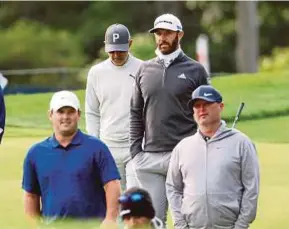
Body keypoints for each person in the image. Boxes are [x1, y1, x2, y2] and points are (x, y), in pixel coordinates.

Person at [129, 13, 209, 226]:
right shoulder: (144, 70)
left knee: (186, 219)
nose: (162, 38)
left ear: (179, 35)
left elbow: (206, 111)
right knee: (154, 221)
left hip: (185, 155)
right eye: (158, 33)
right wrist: (136, 152)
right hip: (150, 158)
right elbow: (136, 112)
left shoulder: (195, 70)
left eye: (167, 33)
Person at [22, 90, 121, 228]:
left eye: (70, 112)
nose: (65, 117)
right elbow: (31, 195)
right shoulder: (35, 153)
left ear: (78, 115)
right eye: (60, 112)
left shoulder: (97, 148)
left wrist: (110, 219)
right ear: (50, 115)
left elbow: (112, 185)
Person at [166, 85, 260, 229]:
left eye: (207, 104)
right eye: (197, 106)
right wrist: (180, 224)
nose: (202, 109)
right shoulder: (182, 147)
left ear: (220, 106)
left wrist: (241, 225)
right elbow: (173, 188)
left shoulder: (241, 143)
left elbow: (251, 188)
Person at [85, 24, 143, 190]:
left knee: (134, 196)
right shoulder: (96, 72)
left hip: (136, 145)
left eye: (121, 50)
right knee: (114, 199)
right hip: (108, 146)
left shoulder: (143, 68)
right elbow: (92, 111)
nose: (116, 55)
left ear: (130, 44)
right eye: (112, 51)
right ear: (105, 46)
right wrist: (95, 144)